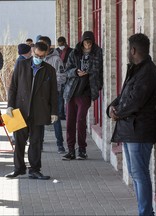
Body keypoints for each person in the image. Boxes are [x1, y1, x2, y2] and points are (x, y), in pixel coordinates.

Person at [106, 33, 156, 216]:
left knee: (140, 174)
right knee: (136, 174)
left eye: (128, 48)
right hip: (131, 130)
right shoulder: (136, 69)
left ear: (133, 50)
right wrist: (111, 108)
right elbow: (123, 96)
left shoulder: (148, 73)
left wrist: (117, 113)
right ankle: (143, 211)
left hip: (140, 132)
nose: (127, 52)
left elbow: (135, 102)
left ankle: (146, 213)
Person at [4, 42, 58, 180]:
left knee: (36, 142)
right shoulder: (21, 65)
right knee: (19, 142)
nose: (38, 57)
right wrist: (10, 105)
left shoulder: (49, 70)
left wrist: (54, 112)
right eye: (36, 54)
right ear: (33, 51)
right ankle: (18, 169)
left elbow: (53, 93)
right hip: (20, 110)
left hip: (39, 111)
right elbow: (13, 87)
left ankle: (34, 170)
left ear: (46, 54)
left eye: (41, 56)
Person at [63, 31, 103, 160]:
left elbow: (101, 71)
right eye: (85, 43)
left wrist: (98, 86)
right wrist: (75, 72)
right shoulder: (74, 53)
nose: (87, 45)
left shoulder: (98, 53)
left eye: (90, 43)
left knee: (80, 120)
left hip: (86, 91)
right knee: (70, 121)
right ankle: (70, 150)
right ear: (82, 42)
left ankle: (82, 149)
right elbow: (66, 70)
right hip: (72, 91)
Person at [38, 36, 66, 154]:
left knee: (56, 118)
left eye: (43, 45)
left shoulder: (56, 59)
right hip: (40, 95)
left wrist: (51, 86)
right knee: (40, 119)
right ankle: (39, 144)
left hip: (54, 94)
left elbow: (62, 77)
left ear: (49, 46)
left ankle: (60, 145)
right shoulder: (38, 59)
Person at [56, 36, 73, 120]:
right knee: (59, 96)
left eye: (62, 44)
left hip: (68, 76)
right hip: (59, 76)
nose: (60, 46)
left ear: (65, 42)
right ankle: (60, 113)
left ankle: (67, 113)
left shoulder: (71, 51)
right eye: (59, 44)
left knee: (67, 95)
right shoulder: (56, 51)